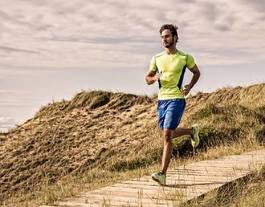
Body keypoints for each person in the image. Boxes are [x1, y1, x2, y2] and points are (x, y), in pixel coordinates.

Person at [145, 24, 201, 186]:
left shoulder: (185, 58)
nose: (164, 39)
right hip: (161, 100)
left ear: (175, 38)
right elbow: (147, 79)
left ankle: (162, 173)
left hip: (177, 99)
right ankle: (192, 131)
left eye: (167, 36)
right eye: (162, 37)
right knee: (167, 134)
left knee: (167, 135)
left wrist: (190, 86)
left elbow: (197, 72)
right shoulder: (157, 58)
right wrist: (154, 78)